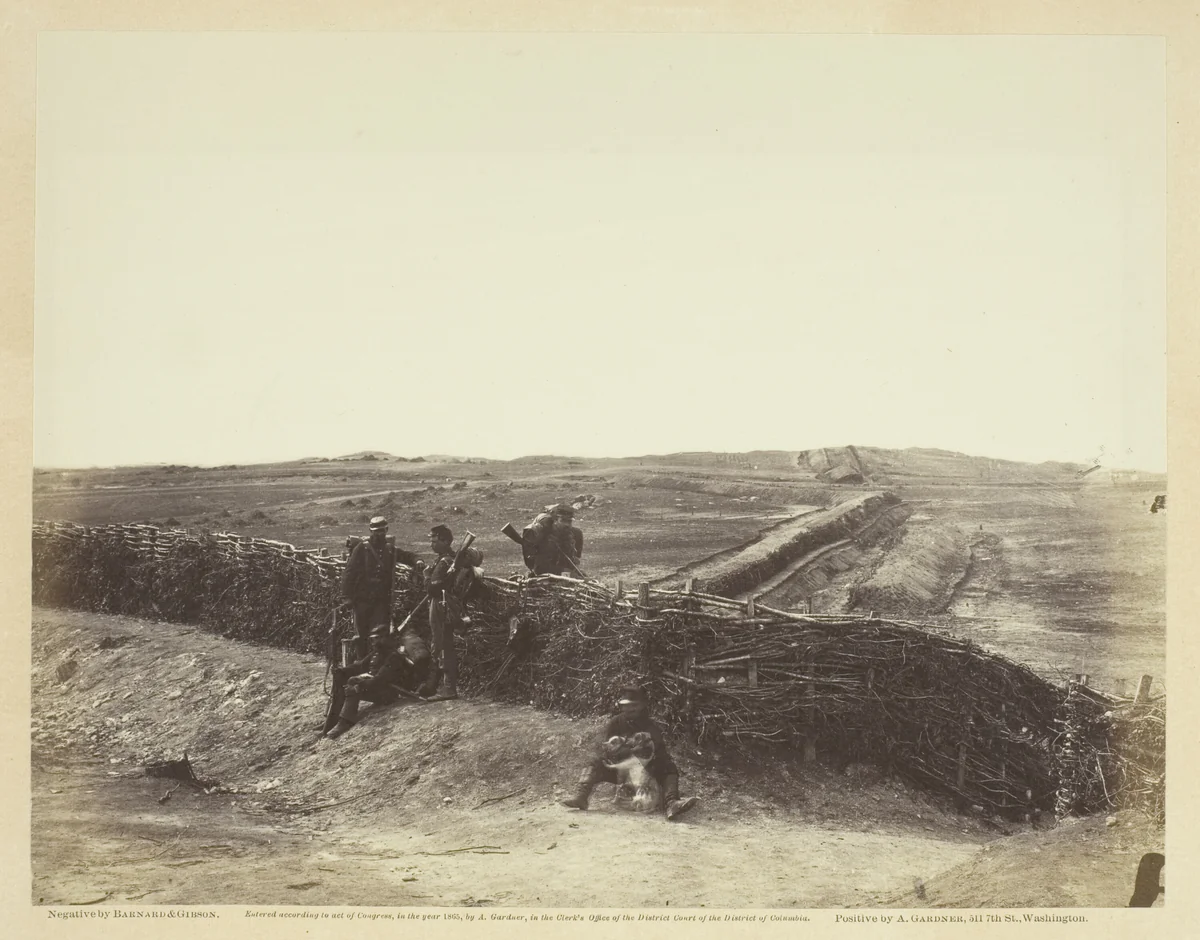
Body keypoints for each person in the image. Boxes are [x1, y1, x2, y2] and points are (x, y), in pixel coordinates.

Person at [561, 684, 698, 821]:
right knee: (594, 763)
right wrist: (627, 753)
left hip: (645, 771)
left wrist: (638, 755)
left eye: (634, 706)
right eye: (626, 705)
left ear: (642, 706)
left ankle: (671, 803)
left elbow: (656, 752)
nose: (629, 709)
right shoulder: (616, 722)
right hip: (621, 769)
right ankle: (581, 797)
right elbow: (608, 749)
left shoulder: (650, 726)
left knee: (669, 767)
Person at [323, 623, 424, 739]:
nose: (373, 642)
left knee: (353, 681)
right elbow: (360, 666)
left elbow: (379, 680)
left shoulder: (394, 657)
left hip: (388, 694)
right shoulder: (377, 653)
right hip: (375, 688)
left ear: (385, 639)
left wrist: (357, 687)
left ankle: (346, 721)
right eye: (373, 639)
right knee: (342, 679)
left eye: (376, 639)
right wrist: (341, 671)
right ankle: (332, 720)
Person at [341, 516, 420, 657]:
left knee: (381, 634)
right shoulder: (362, 549)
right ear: (371, 531)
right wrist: (347, 597)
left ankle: (377, 665)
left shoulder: (390, 549)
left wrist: (417, 560)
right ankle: (362, 663)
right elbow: (349, 573)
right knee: (362, 635)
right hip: (362, 600)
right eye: (376, 531)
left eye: (382, 531)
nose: (379, 534)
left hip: (381, 601)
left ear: (386, 530)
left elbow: (407, 556)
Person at [423, 524, 483, 701]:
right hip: (448, 606)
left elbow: (432, 589)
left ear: (446, 541)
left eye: (435, 541)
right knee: (444, 645)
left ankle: (449, 689)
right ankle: (446, 687)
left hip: (441, 607)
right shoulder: (448, 559)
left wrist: (426, 575)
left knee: (443, 646)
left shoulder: (444, 562)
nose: (432, 544)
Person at [521, 503, 584, 576]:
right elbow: (539, 569)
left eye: (569, 521)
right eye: (563, 520)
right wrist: (566, 572)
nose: (567, 524)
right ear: (555, 520)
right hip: (544, 574)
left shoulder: (576, 534)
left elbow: (574, 561)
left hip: (561, 570)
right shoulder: (545, 537)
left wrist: (575, 572)